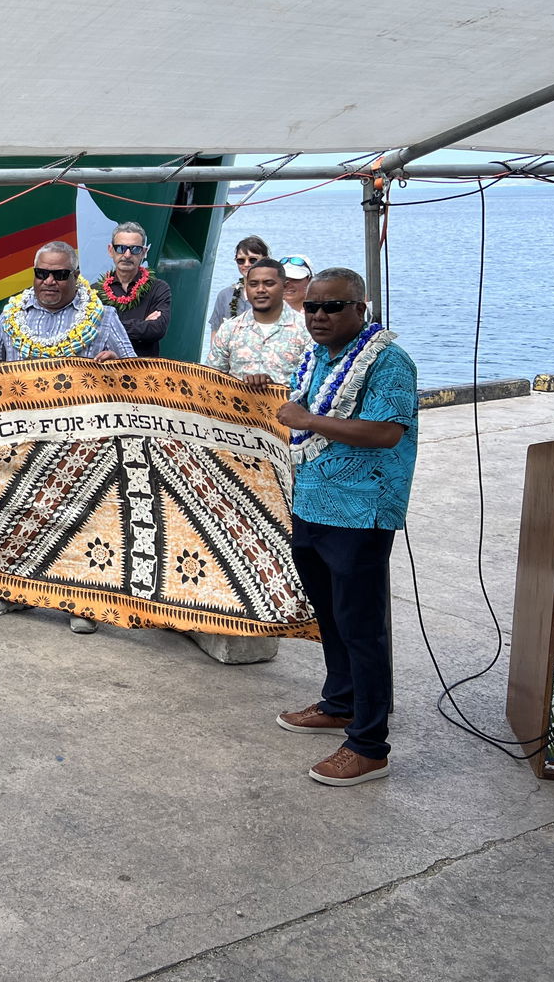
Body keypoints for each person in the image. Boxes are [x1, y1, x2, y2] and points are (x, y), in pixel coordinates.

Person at [274, 269, 418, 787]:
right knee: (331, 616)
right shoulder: (316, 358)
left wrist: (307, 420)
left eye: (332, 307)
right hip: (312, 503)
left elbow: (383, 432)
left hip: (361, 512)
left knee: (362, 626)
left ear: (361, 308)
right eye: (311, 307)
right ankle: (339, 703)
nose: (317, 316)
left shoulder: (389, 361)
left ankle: (369, 744)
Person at [0, 240, 134, 630]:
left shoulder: (103, 317)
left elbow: (132, 370)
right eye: (42, 274)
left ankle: (83, 604)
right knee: (19, 513)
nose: (50, 281)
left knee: (83, 518)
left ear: (76, 276)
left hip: (82, 438)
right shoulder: (13, 312)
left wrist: (115, 363)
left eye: (60, 274)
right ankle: (18, 592)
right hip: (22, 437)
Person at [204, 257, 310, 384]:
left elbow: (310, 386)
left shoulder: (305, 330)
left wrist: (275, 389)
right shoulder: (229, 330)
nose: (260, 290)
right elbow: (211, 381)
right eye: (253, 284)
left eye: (269, 283)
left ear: (284, 287)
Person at [96, 221, 172, 357]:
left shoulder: (159, 289)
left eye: (135, 249)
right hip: (104, 370)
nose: (127, 255)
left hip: (145, 371)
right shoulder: (94, 291)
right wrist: (142, 325)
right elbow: (88, 330)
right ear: (110, 251)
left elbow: (157, 329)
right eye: (120, 248)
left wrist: (107, 327)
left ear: (144, 252)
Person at [208, 235, 271, 334]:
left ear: (265, 260)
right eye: (241, 260)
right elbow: (216, 331)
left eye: (253, 260)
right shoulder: (225, 295)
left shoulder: (275, 294)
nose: (246, 264)